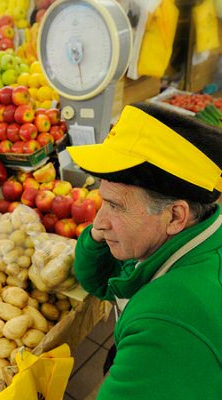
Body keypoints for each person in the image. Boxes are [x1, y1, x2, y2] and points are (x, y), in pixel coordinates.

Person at [68, 103, 222, 399]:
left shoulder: (168, 322)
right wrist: (98, 237)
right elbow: (102, 282)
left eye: (115, 205)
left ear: (175, 216)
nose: (98, 222)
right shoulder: (187, 238)